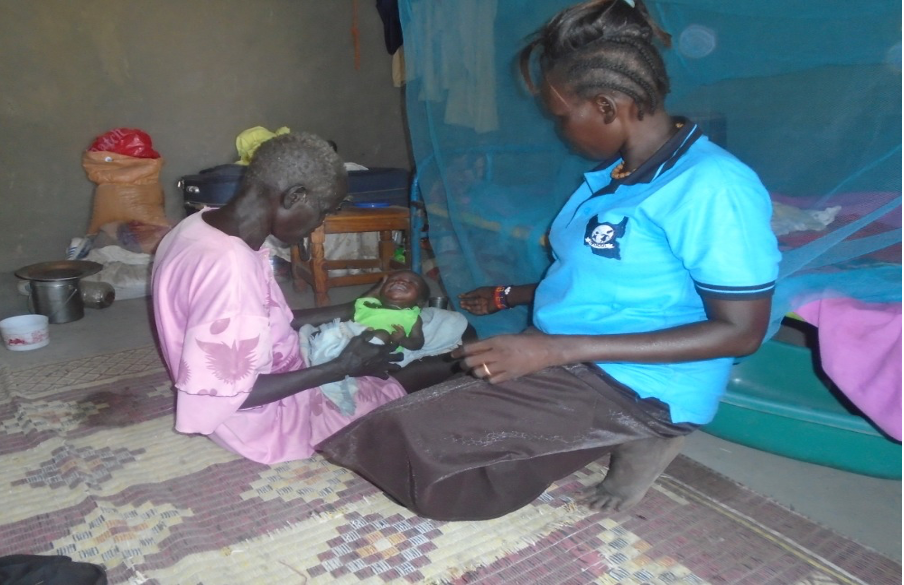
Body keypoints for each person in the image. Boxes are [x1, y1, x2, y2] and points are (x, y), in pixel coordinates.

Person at [318, 0, 781, 521]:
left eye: (562, 116)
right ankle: (580, 418)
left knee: (404, 441)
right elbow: (602, 277)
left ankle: (652, 429)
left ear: (607, 106)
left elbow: (741, 333)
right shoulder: (617, 176)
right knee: (422, 378)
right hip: (572, 351)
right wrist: (511, 296)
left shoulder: (713, 188)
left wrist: (552, 351)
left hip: (640, 381)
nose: (560, 130)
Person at [150, 132, 409, 464]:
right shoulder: (229, 268)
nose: (321, 223)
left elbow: (267, 321)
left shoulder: (200, 226)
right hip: (264, 421)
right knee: (407, 380)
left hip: (266, 379)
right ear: (295, 196)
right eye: (323, 211)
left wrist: (354, 309)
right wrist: (340, 368)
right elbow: (235, 395)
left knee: (389, 362)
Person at [298, 269, 469, 415]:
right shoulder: (372, 306)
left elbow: (417, 344)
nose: (401, 281)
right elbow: (362, 302)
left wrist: (402, 338)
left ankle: (344, 362)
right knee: (325, 332)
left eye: (411, 283)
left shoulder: (412, 318)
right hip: (348, 336)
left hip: (376, 349)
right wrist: (378, 288)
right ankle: (329, 355)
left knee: (381, 334)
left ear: (419, 303)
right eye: (394, 280)